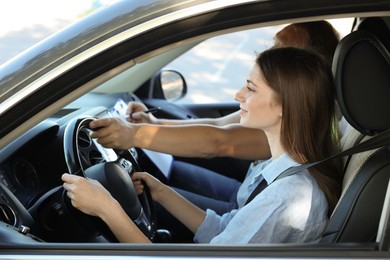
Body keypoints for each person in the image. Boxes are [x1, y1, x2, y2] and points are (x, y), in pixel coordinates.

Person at [62, 46, 342, 243]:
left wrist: (106, 208)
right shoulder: (278, 166)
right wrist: (161, 193)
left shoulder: (285, 197)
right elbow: (225, 230)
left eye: (251, 89)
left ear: (285, 106)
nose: (238, 94)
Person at [120, 21, 342, 215]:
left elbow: (218, 141)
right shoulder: (285, 111)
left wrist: (133, 135)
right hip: (246, 194)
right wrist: (156, 124)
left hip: (251, 206)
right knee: (170, 175)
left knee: (142, 200)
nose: (272, 53)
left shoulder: (291, 128)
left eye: (282, 50)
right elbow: (219, 124)